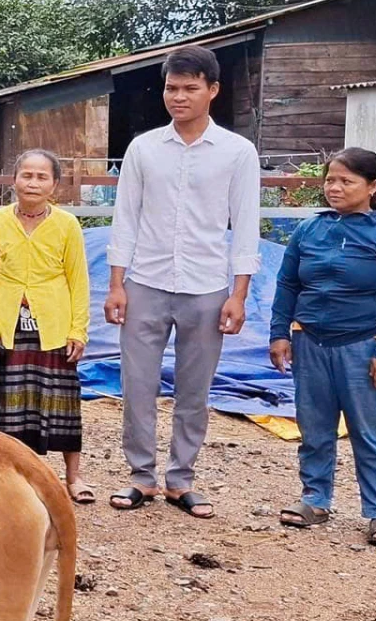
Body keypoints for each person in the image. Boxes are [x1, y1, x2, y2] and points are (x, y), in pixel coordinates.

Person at [103, 46, 260, 518]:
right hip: (145, 282)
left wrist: (238, 294)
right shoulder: (144, 148)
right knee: (137, 385)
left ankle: (181, 480)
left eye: (191, 88)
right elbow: (125, 219)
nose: (179, 97)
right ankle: (141, 477)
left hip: (207, 287)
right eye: (172, 88)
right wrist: (116, 284)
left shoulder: (237, 152)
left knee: (195, 390)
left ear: (213, 90)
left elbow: (245, 226)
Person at [269, 148, 376, 548]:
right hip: (310, 343)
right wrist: (279, 333)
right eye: (330, 180)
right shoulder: (309, 230)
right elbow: (287, 284)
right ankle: (315, 500)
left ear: (372, 186)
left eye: (346, 181)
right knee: (314, 427)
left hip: (364, 347)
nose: (334, 188)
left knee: (369, 432)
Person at [0, 149, 93, 502]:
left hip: (55, 323)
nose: (33, 183)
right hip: (9, 323)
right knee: (11, 402)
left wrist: (78, 329)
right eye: (26, 175)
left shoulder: (67, 224)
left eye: (42, 177)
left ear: (54, 185)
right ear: (14, 180)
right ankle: (17, 479)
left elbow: (78, 279)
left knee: (62, 399)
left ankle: (73, 477)